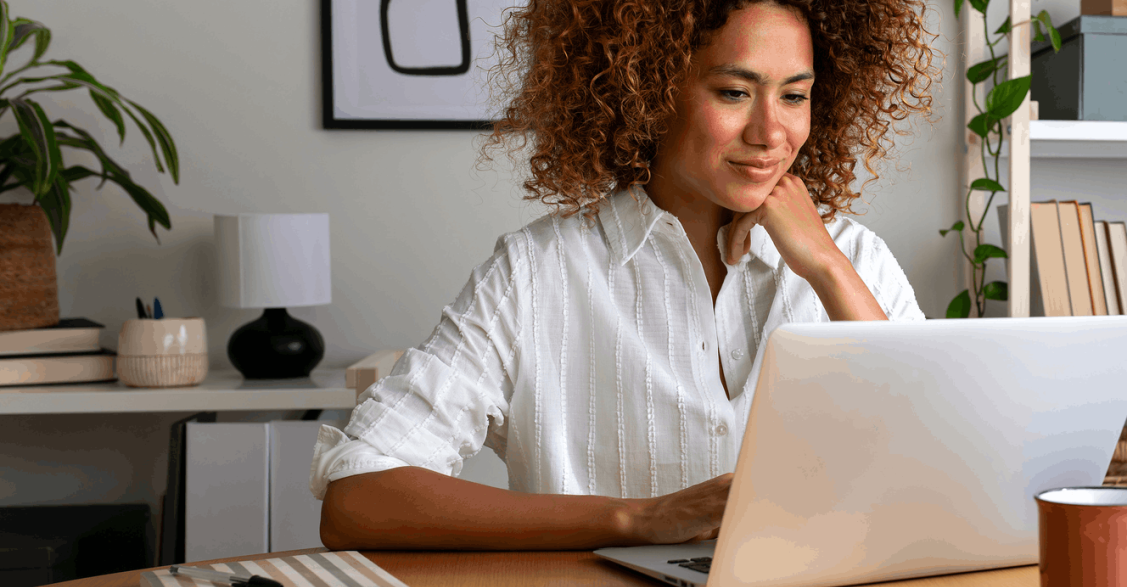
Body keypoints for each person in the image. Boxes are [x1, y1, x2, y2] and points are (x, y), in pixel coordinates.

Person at [312, 0, 936, 550]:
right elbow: (357, 497)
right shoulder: (537, 273)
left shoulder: (854, 258)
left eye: (794, 96)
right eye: (733, 92)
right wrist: (636, 519)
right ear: (649, 90)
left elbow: (941, 474)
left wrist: (827, 268)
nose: (771, 132)